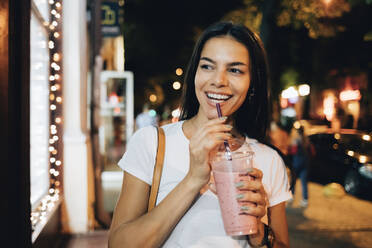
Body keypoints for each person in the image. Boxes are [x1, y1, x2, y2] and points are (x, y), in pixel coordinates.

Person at [108, 22, 292, 248]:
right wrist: (193, 179)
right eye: (207, 66)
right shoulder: (151, 143)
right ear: (195, 73)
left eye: (235, 70)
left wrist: (258, 233)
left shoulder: (268, 160)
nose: (218, 80)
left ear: (252, 83)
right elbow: (118, 244)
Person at [289, 126, 311, 208]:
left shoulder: (296, 139)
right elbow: (311, 151)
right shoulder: (307, 139)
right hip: (305, 163)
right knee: (304, 182)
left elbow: (293, 151)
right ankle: (305, 200)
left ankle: (291, 197)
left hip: (297, 162)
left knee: (293, 180)